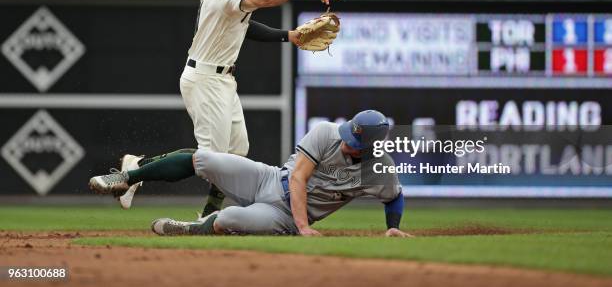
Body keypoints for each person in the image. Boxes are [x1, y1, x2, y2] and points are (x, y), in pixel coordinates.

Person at [115, 0, 341, 222]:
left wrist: (290, 36)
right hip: (206, 78)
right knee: (210, 158)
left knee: (235, 153)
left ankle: (208, 213)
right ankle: (134, 172)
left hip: (220, 79)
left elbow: (247, 27)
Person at [89, 110, 412, 237]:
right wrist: (304, 228)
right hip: (269, 178)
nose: (346, 143)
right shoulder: (327, 133)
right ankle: (127, 178)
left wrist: (393, 228)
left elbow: (394, 197)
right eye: (348, 135)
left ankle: (192, 227)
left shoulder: (379, 171)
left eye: (355, 143)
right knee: (206, 160)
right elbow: (298, 177)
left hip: (281, 215)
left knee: (229, 219)